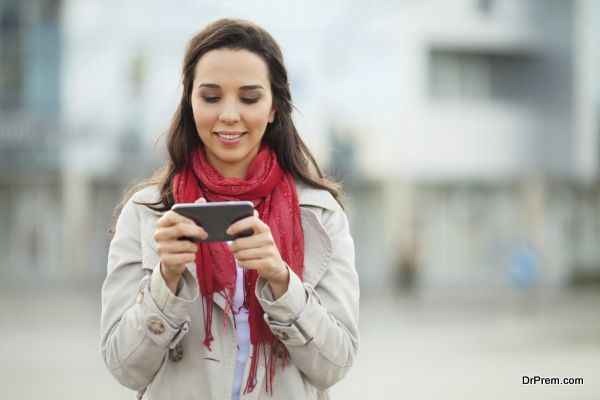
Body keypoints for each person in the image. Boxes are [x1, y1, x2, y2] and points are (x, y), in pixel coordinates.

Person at [101, 18, 359, 400]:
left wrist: (281, 280)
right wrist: (167, 279)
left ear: (274, 108)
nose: (229, 114)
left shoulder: (319, 216)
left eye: (250, 98)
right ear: (190, 103)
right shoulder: (147, 213)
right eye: (211, 96)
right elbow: (124, 367)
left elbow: (335, 364)